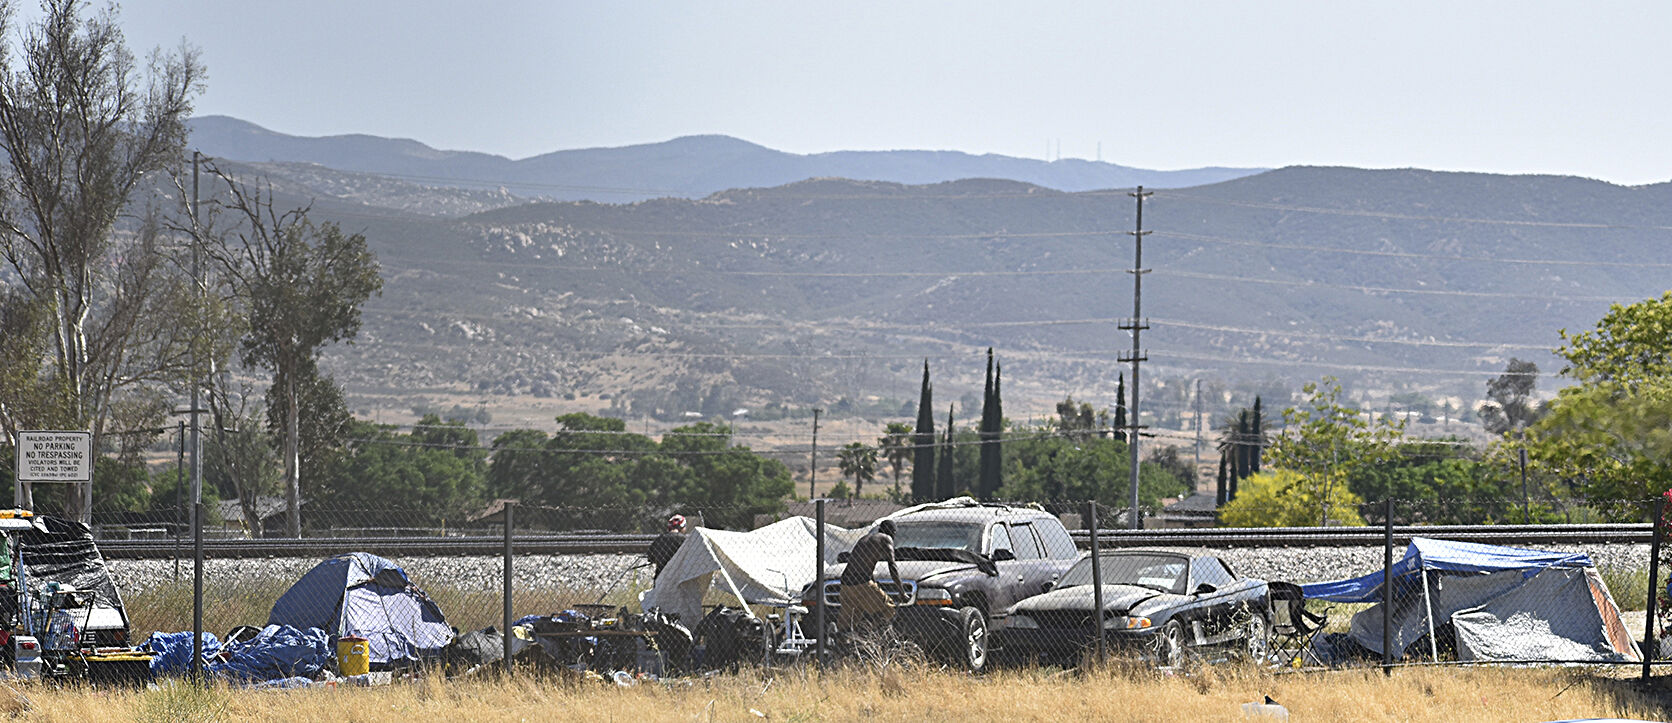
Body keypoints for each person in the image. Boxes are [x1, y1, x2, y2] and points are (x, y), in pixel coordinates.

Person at [838, 518, 901, 636]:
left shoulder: (865, 539)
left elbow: (862, 563)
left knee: (852, 619)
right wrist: (901, 592)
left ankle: (843, 643)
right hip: (861, 583)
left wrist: (874, 583)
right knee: (889, 608)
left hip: (845, 583)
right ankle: (868, 632)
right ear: (892, 532)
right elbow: (892, 566)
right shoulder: (886, 539)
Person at [649, 514, 688, 579]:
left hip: (660, 576)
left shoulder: (659, 539)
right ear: (682, 526)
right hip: (679, 576)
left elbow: (651, 557)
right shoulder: (684, 540)